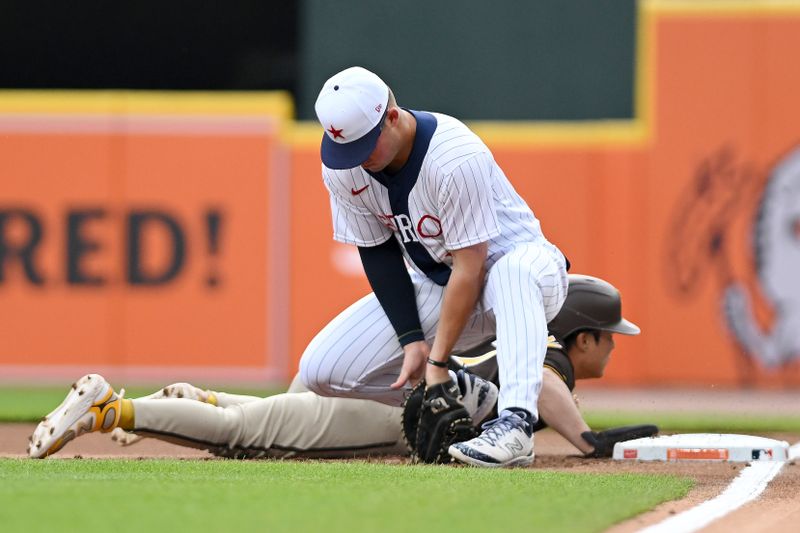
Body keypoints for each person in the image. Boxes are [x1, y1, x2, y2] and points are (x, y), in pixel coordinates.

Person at [28, 274, 640, 460]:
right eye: (608, 337)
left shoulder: (526, 348)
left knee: (263, 421)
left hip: (372, 400)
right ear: (580, 335)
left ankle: (199, 399)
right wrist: (620, 442)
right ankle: (111, 407)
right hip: (380, 415)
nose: (613, 347)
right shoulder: (545, 363)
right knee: (253, 440)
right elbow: (570, 419)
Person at [299, 66, 569, 467]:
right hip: (440, 284)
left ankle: (516, 424)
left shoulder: (455, 156)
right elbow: (377, 252)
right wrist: (412, 341)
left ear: (391, 117)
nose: (357, 159)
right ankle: (476, 396)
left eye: (364, 146)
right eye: (346, 148)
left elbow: (472, 266)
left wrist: (436, 362)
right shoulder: (344, 166)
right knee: (320, 369)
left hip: (522, 273)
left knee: (512, 274)